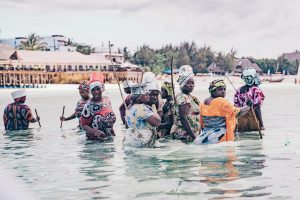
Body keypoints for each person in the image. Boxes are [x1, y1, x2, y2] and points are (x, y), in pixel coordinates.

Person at [194, 80, 250, 144]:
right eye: (220, 89)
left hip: (204, 135)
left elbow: (201, 122)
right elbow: (238, 113)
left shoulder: (203, 103)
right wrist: (248, 106)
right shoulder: (222, 101)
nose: (223, 91)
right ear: (212, 90)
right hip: (219, 136)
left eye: (224, 89)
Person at [80, 73, 116, 140]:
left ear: (102, 89)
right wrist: (95, 132)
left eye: (98, 89)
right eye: (93, 90)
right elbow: (83, 125)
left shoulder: (107, 99)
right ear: (90, 91)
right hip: (95, 141)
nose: (96, 92)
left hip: (109, 138)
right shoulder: (88, 106)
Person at [123, 83, 161, 148]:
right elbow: (157, 122)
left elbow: (127, 126)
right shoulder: (142, 108)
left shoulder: (130, 108)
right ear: (138, 97)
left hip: (130, 140)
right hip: (141, 142)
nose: (148, 96)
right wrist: (152, 109)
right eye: (146, 94)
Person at [170, 65, 200, 142]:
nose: (191, 85)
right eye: (188, 83)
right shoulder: (183, 97)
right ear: (182, 83)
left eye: (192, 83)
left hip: (189, 134)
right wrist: (193, 136)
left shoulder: (191, 97)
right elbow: (183, 118)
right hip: (184, 135)